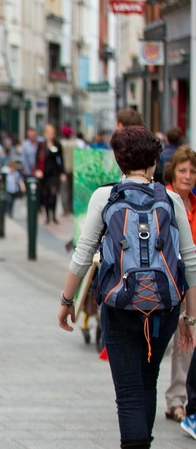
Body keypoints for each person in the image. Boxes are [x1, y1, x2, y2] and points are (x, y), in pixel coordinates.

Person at [58, 126, 196, 449]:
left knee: (129, 392)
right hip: (164, 307)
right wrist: (189, 317)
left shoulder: (105, 197)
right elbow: (189, 261)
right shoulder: (172, 200)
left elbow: (83, 253)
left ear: (120, 162)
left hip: (119, 306)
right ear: (154, 162)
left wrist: (68, 300)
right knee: (148, 383)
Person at [162, 146, 196, 424]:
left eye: (193, 171)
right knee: (162, 342)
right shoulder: (163, 201)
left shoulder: (195, 205)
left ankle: (177, 401)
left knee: (186, 343)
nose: (188, 176)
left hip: (191, 285)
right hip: (166, 282)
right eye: (183, 170)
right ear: (173, 171)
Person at [34, 123, 65, 224]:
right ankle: (47, 216)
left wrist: (62, 172)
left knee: (53, 193)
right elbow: (37, 158)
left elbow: (61, 159)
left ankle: (54, 215)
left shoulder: (57, 144)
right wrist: (38, 170)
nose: (51, 135)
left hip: (54, 173)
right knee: (45, 194)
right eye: (49, 133)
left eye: (53, 133)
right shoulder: (42, 145)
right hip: (44, 173)